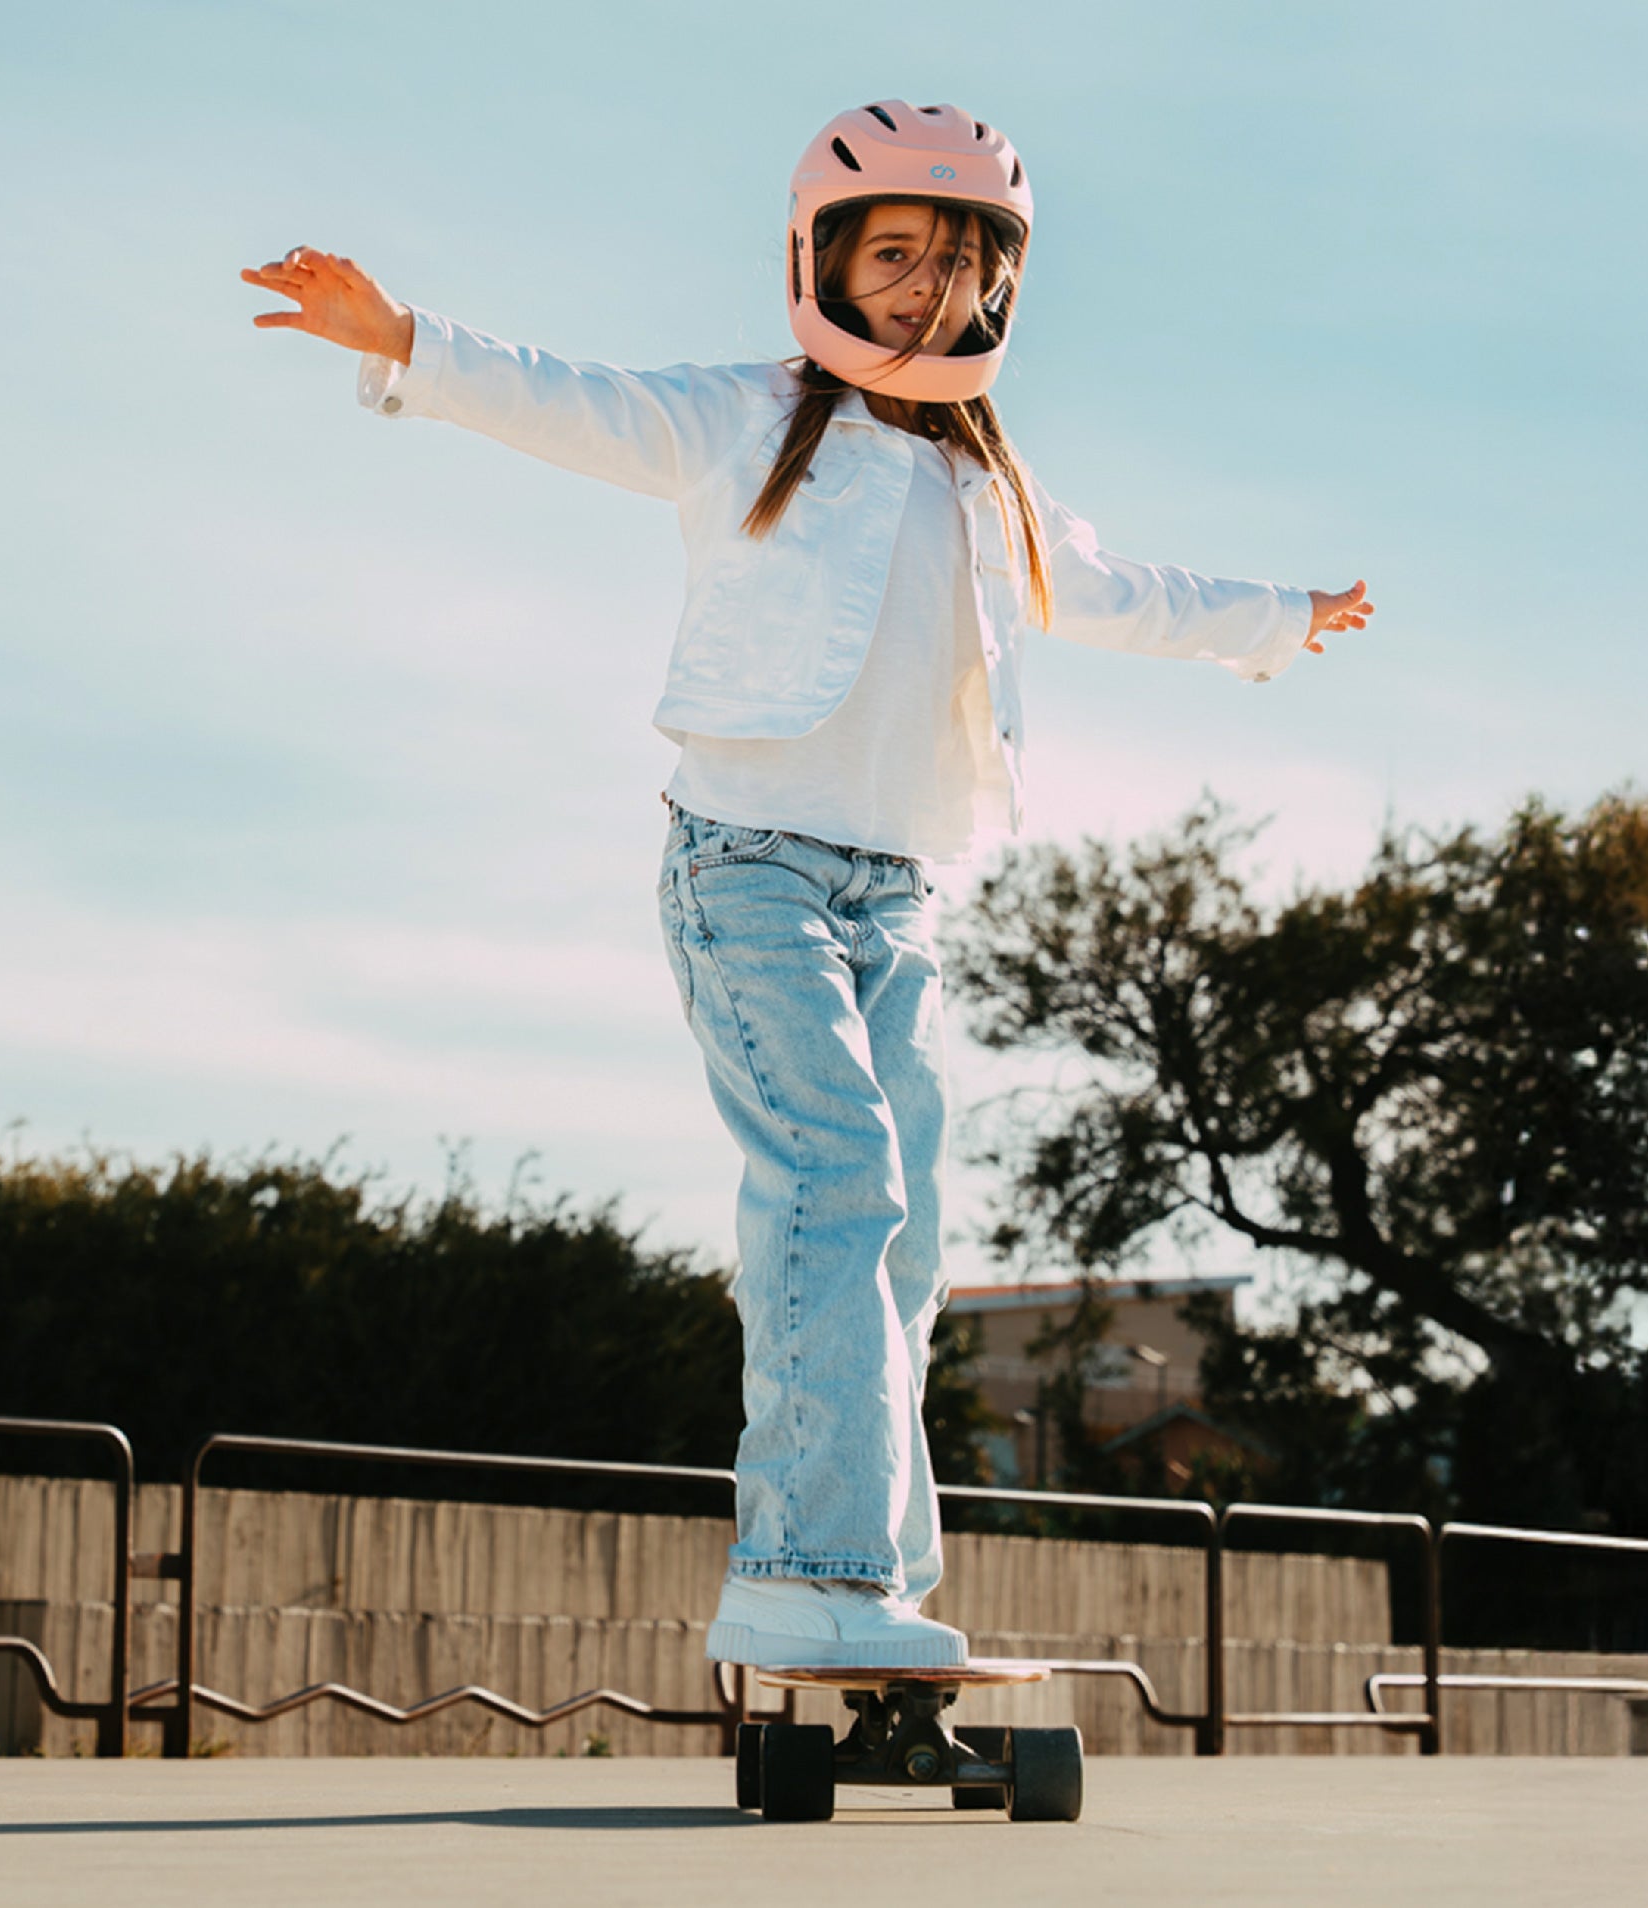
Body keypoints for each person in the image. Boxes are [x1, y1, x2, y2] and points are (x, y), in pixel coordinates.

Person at [241, 101, 1374, 1670]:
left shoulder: (994, 491)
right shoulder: (745, 419)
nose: (924, 289)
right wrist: (406, 337)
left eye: (955, 265)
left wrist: (1277, 614)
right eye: (893, 254)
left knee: (902, 1241)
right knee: (836, 1184)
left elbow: (1122, 592)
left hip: (898, 897)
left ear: (1000, 290)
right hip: (747, 872)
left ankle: (878, 1583)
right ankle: (801, 1568)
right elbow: (579, 403)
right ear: (824, 265)